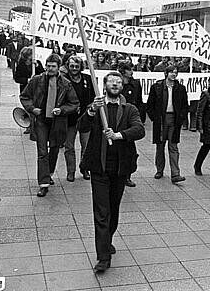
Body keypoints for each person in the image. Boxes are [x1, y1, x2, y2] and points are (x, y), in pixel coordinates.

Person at [78, 71, 145, 273]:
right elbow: (82, 126)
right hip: (99, 168)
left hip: (120, 168)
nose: (115, 85)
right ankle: (103, 258)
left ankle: (108, 239)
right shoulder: (97, 107)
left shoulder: (129, 109)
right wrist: (90, 111)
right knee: (101, 213)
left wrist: (118, 135)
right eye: (111, 82)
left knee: (113, 210)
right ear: (104, 85)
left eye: (118, 82)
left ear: (121, 87)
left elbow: (139, 130)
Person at [20, 53, 79, 197]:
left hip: (57, 123)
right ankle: (43, 183)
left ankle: (49, 173)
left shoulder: (66, 83)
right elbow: (24, 96)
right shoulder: (37, 80)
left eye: (53, 66)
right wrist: (32, 109)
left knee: (53, 150)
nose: (50, 68)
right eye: (48, 65)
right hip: (41, 122)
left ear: (59, 67)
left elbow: (75, 104)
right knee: (42, 152)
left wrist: (62, 110)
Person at [146, 65, 188, 183]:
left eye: (176, 73)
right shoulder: (157, 87)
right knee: (160, 145)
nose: (174, 75)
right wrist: (155, 118)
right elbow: (150, 105)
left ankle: (175, 173)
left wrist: (181, 118)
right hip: (161, 119)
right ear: (166, 73)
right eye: (171, 72)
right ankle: (159, 170)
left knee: (173, 146)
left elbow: (185, 105)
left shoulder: (180, 88)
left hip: (174, 119)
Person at [62, 55, 96, 182]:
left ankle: (85, 168)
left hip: (85, 118)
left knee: (86, 145)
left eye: (77, 66)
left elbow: (93, 96)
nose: (74, 68)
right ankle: (71, 171)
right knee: (69, 146)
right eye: (72, 66)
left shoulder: (87, 78)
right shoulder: (63, 80)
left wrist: (90, 107)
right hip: (69, 119)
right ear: (68, 66)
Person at [118, 60, 146, 187]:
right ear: (124, 71)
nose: (132, 72)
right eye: (129, 69)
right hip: (118, 118)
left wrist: (140, 116)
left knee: (130, 151)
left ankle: (127, 176)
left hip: (131, 117)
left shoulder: (135, 83)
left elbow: (139, 100)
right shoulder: (116, 83)